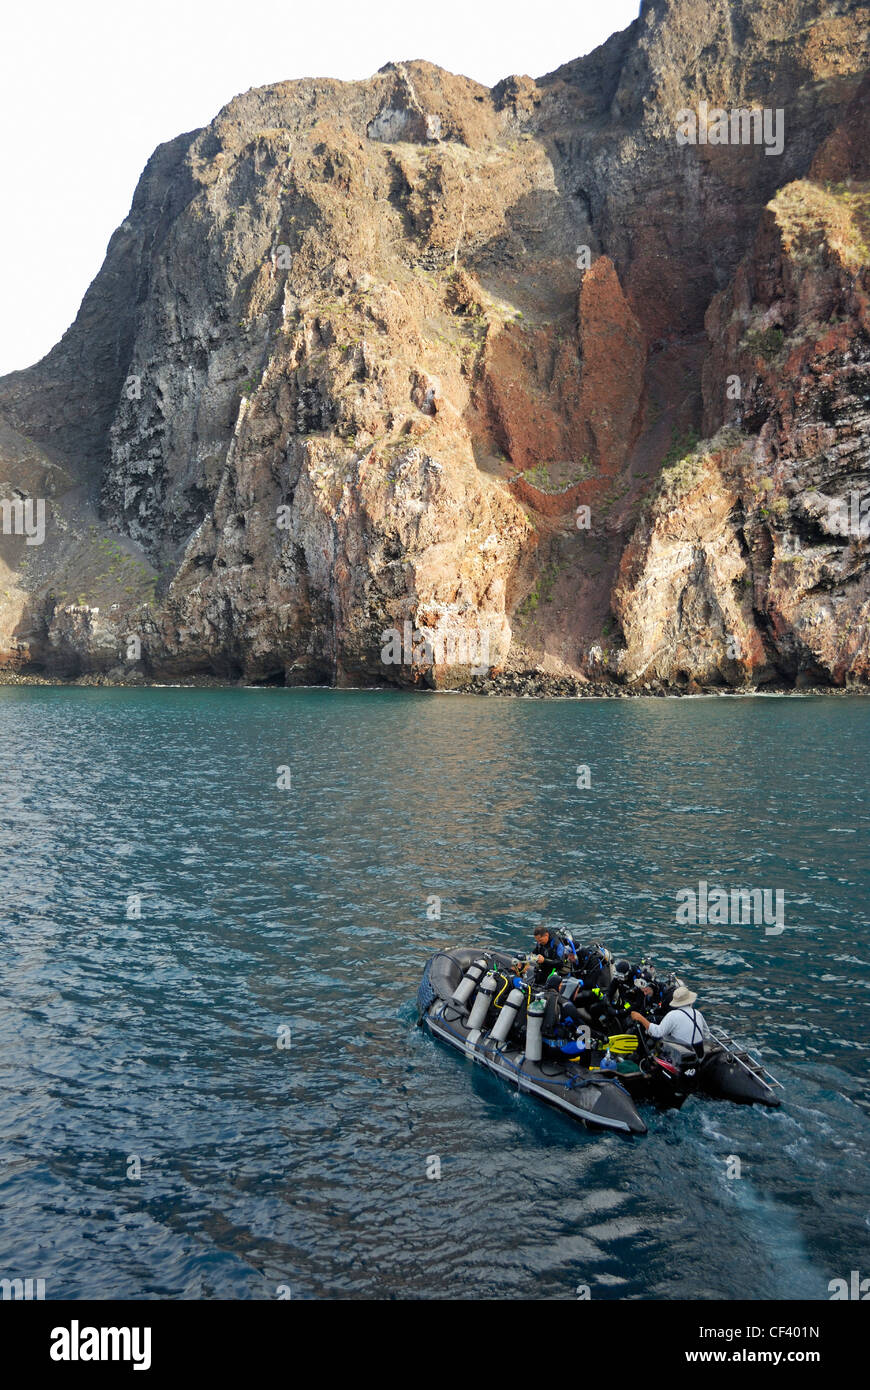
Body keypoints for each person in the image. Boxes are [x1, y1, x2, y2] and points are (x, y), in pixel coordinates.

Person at [631, 985, 709, 1056]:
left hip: (683, 1054)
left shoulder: (672, 1015)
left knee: (654, 1048)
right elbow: (706, 1033)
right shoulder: (697, 1013)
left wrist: (640, 1018)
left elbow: (657, 1033)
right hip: (699, 1053)